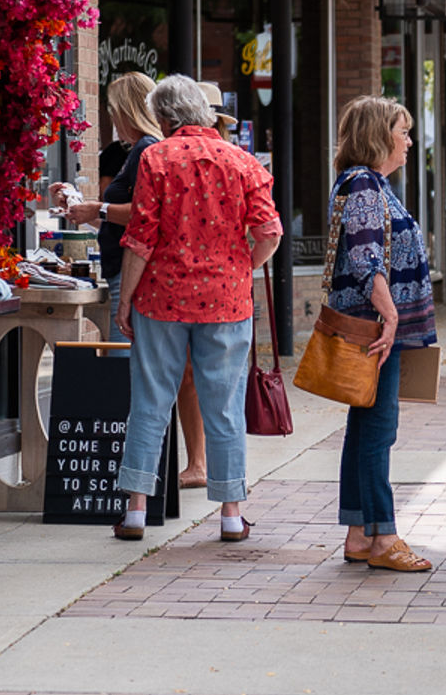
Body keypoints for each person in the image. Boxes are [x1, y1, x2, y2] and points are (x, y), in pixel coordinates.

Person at [111, 75, 282, 543]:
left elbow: (141, 238)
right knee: (224, 407)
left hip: (161, 298)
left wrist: (125, 299)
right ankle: (230, 514)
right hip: (226, 302)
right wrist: (242, 265)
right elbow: (270, 232)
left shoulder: (155, 158)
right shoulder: (243, 162)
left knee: (149, 403)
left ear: (165, 119)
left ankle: (135, 512)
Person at [56, 72, 209, 490]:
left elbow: (144, 216)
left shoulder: (146, 151)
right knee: (172, 373)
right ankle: (169, 468)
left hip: (136, 272)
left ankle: (134, 473)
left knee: (136, 373)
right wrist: (91, 205)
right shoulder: (143, 151)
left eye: (113, 110)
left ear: (126, 110)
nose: (110, 119)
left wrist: (98, 210)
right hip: (143, 272)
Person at [325, 96, 438, 572]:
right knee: (378, 432)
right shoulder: (366, 185)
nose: (409, 141)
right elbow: (366, 258)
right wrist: (391, 318)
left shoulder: (368, 184)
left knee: (364, 429)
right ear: (378, 135)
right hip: (376, 330)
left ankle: (358, 534)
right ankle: (385, 537)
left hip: (375, 327)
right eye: (402, 131)